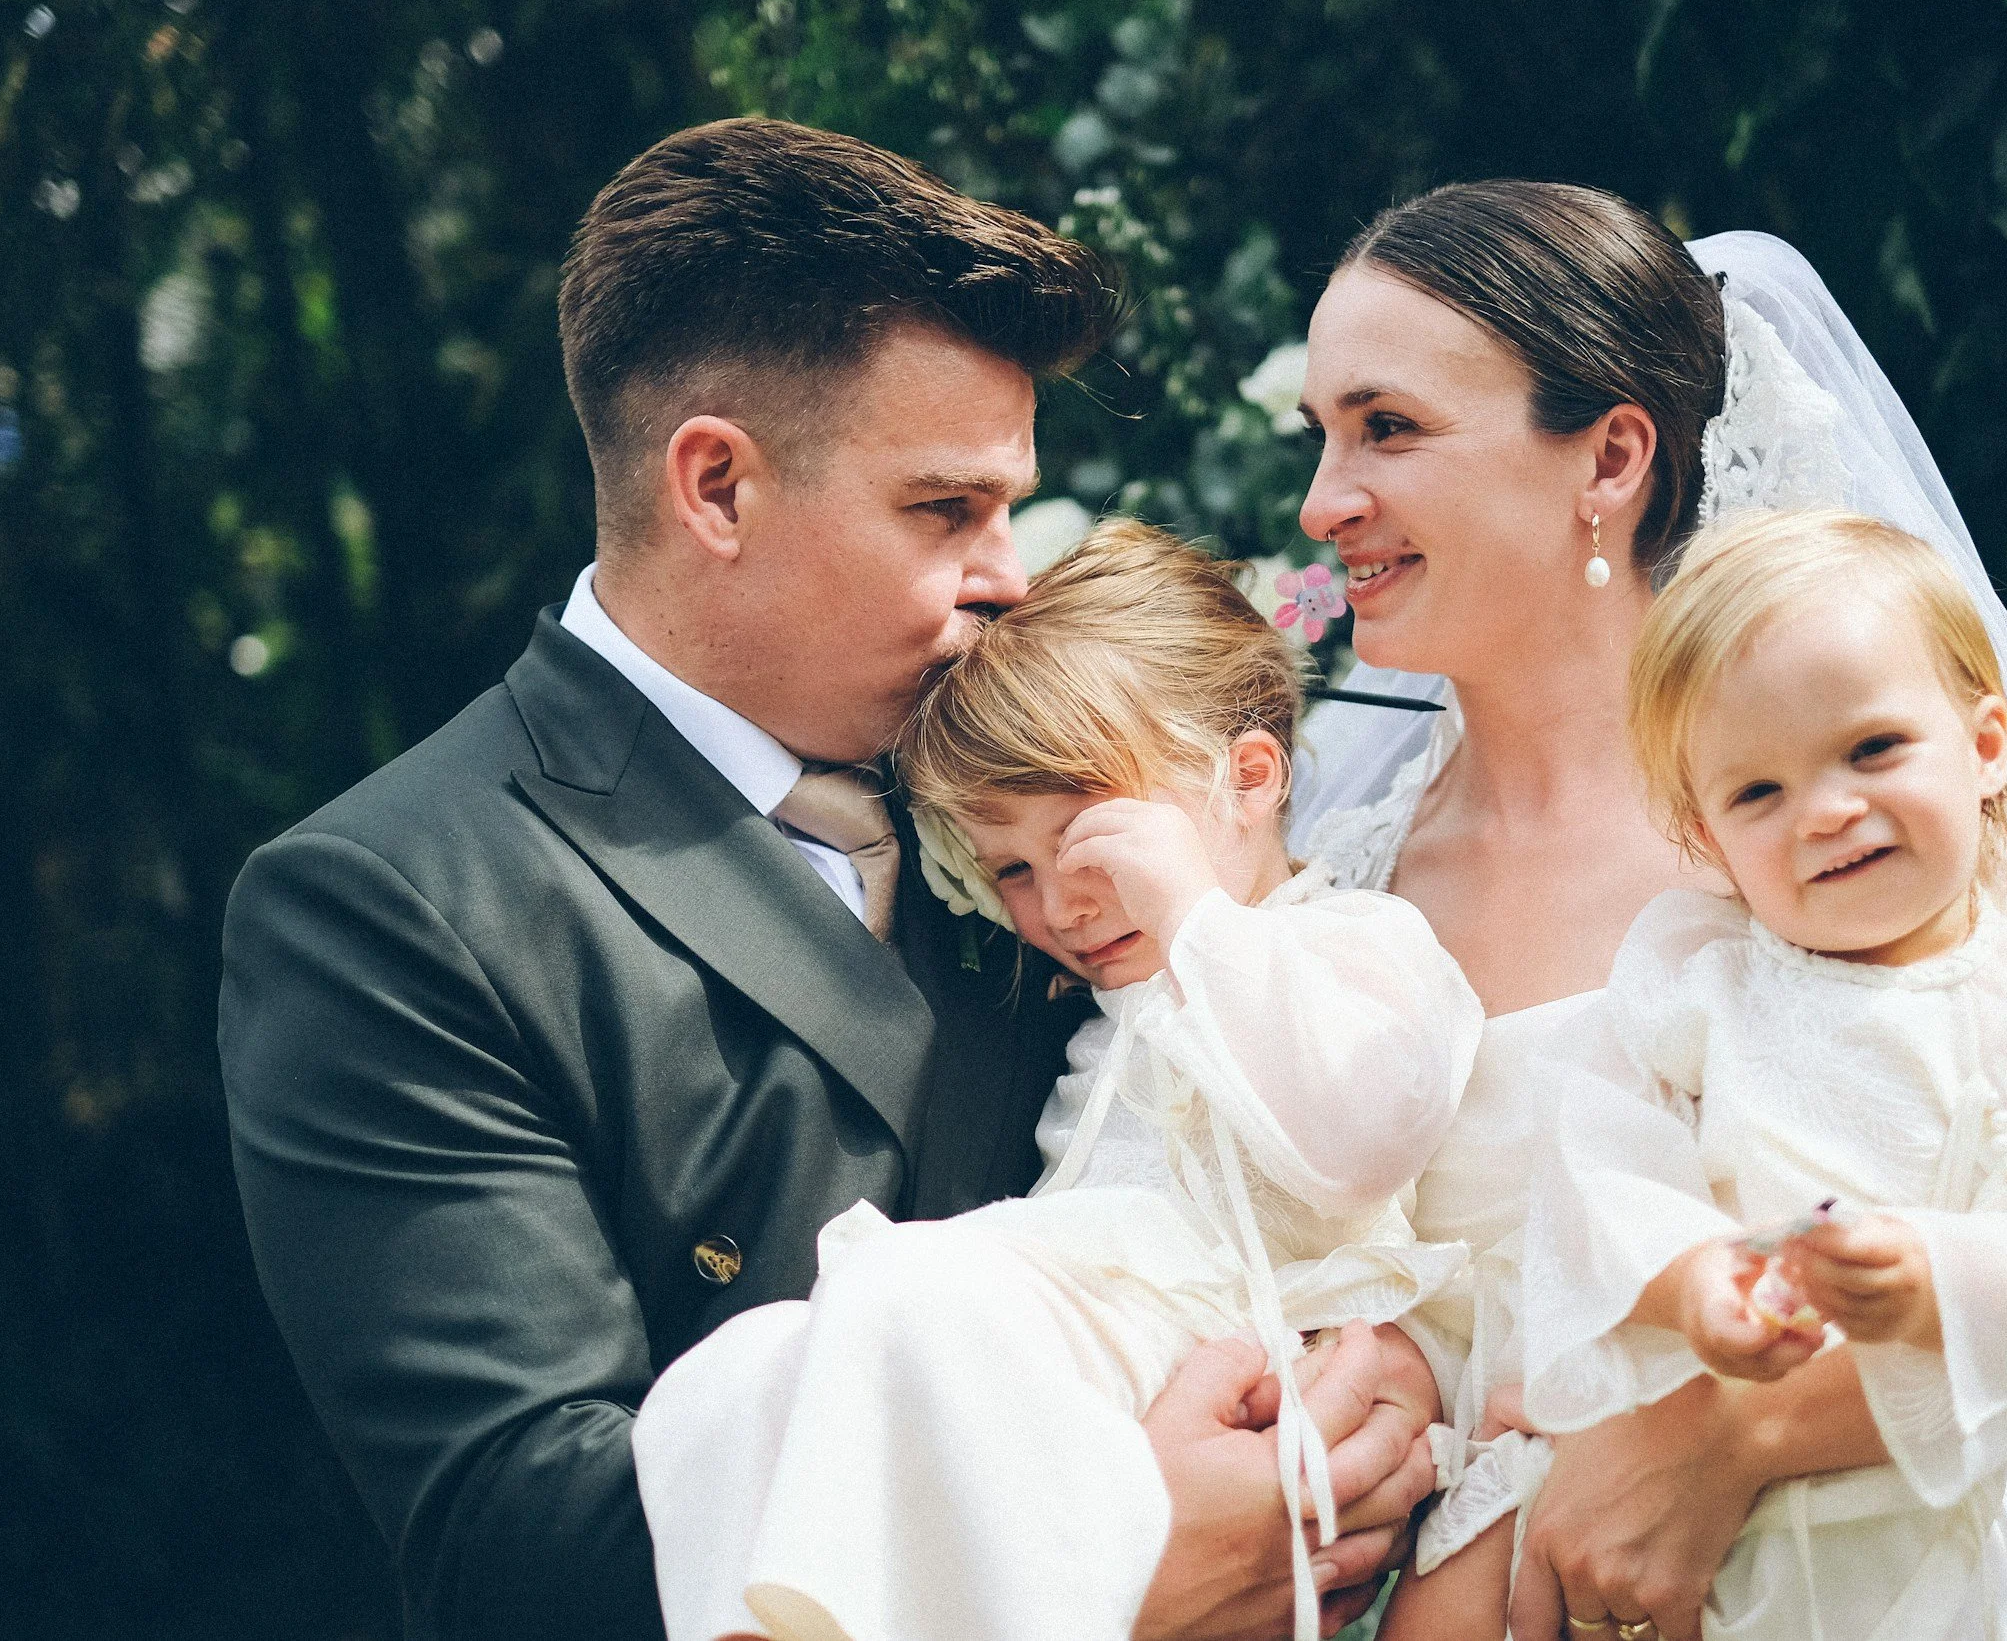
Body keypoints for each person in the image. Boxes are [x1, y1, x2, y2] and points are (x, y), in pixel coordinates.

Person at [218, 119, 1436, 1641]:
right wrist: (1108, 1563)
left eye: (1009, 505)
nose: (1005, 571)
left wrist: (1391, 1356)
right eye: (945, 509)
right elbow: (517, 1547)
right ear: (716, 487)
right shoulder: (393, 904)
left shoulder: (1044, 770)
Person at [1286, 183, 2007, 1641]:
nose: (1321, 502)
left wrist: (1735, 1436)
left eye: (1386, 427)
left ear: (1608, 454)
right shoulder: (1335, 858)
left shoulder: (1828, 822)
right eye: (1323, 437)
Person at [630, 519, 1481, 1641]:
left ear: (1249, 778)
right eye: (1014, 870)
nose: (1060, 905)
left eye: (1092, 842)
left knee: (914, 1297)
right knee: (726, 1380)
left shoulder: (1353, 942)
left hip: (1235, 1333)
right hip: (1087, 1340)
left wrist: (1194, 916)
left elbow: (1363, 1138)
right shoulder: (1103, 1013)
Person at [1399, 507, 2007, 1641]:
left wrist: (1940, 1270)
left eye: (1871, 749)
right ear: (1704, 834)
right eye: (1756, 794)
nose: (1826, 811)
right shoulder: (1698, 980)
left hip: (1916, 1546)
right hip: (1714, 1558)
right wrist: (1689, 1279)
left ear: (1985, 746)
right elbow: (1602, 1156)